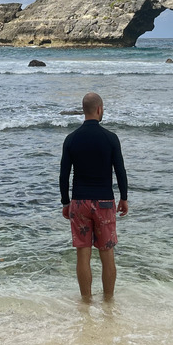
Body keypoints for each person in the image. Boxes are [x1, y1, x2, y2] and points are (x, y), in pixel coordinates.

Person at [59, 91, 128, 300]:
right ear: (99, 109)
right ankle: (108, 299)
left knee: (83, 254)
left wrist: (65, 201)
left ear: (84, 110)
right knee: (107, 253)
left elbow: (64, 175)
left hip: (79, 201)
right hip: (105, 201)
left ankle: (86, 301)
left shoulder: (71, 139)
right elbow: (120, 170)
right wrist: (124, 197)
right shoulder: (111, 138)